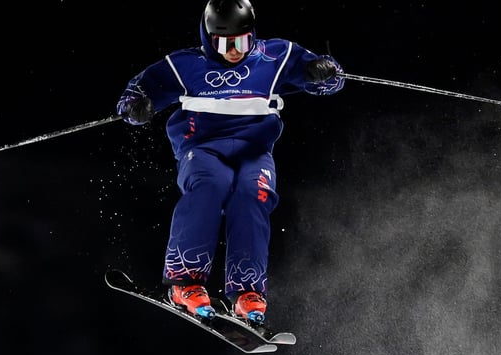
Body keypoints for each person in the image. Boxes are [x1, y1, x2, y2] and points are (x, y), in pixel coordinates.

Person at [115, 0, 345, 326]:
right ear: (208, 38)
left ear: (252, 35)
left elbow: (329, 82)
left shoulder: (274, 56)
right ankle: (186, 282)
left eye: (242, 41)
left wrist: (324, 71)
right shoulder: (186, 65)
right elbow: (139, 91)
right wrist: (135, 106)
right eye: (223, 43)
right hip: (203, 149)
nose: (234, 51)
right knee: (210, 186)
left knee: (253, 195)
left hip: (254, 152)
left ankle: (247, 291)